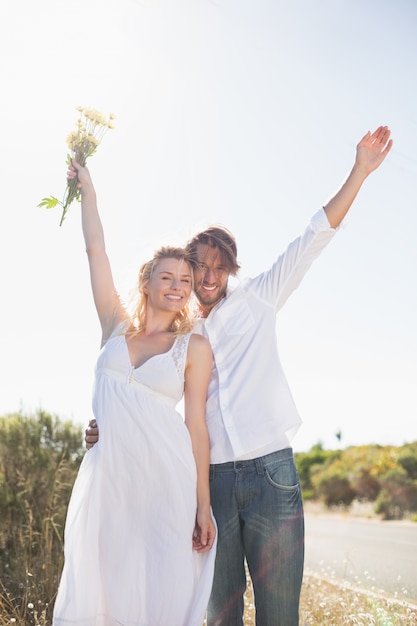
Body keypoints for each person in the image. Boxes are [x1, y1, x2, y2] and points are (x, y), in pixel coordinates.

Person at [85, 125, 393, 625]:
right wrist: (104, 427)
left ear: (230, 269)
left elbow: (314, 236)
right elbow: (139, 390)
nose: (207, 278)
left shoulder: (260, 299)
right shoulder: (180, 336)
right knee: (219, 616)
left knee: (278, 616)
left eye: (218, 268)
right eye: (198, 269)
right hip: (207, 482)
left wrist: (359, 169)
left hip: (272, 473)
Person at [52, 160, 217, 626]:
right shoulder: (115, 326)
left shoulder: (193, 347)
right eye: (167, 277)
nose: (178, 287)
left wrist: (203, 506)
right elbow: (95, 250)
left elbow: (196, 428)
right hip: (109, 480)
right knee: (105, 587)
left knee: (161, 591)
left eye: (185, 282)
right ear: (146, 281)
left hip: (168, 482)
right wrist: (88, 191)